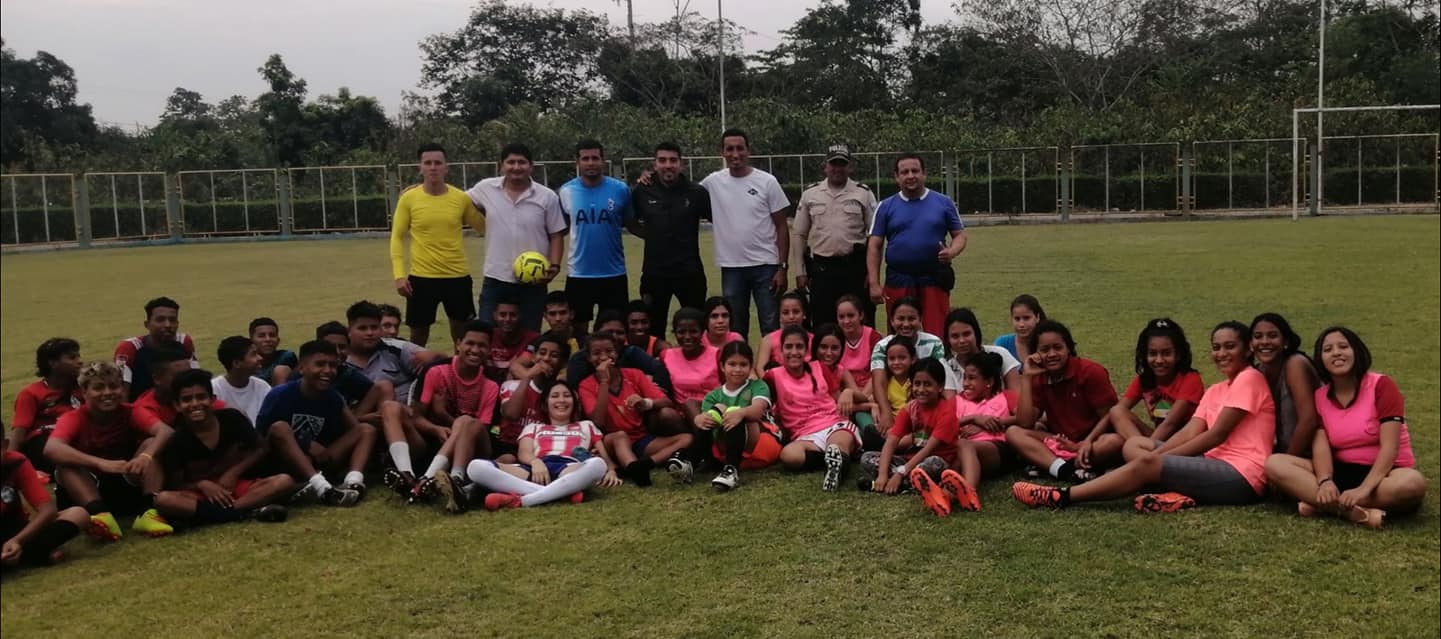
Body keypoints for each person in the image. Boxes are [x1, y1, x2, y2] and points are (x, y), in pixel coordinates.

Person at [1012, 321, 1278, 513]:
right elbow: (1190, 432)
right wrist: (1156, 455)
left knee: (1148, 461)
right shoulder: (1217, 389)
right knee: (1136, 446)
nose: (1221, 354)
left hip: (1243, 475)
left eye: (1230, 347)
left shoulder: (1249, 379)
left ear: (1247, 350)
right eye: (1216, 347)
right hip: (1211, 461)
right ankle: (1171, 493)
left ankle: (1062, 496)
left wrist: (1158, 459)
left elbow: (1215, 435)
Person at [1265, 327, 1426, 528]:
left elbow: (1390, 447)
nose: (1336, 353)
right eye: (1328, 349)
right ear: (1321, 359)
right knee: (1275, 463)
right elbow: (1321, 446)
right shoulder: (1320, 396)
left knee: (1412, 483)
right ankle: (1354, 513)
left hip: (1386, 473)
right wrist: (1325, 481)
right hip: (1341, 471)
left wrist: (1364, 489)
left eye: (1343, 346)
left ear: (1356, 351)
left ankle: (1322, 505)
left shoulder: (1381, 385)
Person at [45, 361, 175, 540]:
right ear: (84, 392)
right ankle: (100, 515)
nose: (107, 393)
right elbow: (51, 448)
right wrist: (101, 463)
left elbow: (166, 431)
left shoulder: (130, 411)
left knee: (151, 444)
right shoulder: (74, 417)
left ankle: (148, 511)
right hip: (86, 489)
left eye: (113, 386)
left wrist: (146, 456)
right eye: (99, 388)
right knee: (64, 464)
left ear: (121, 388)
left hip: (124, 480)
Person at [154, 370, 293, 527]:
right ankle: (245, 513)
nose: (195, 404)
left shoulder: (232, 419)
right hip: (202, 496)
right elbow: (177, 485)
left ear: (213, 399)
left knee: (284, 481)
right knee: (163, 500)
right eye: (187, 399)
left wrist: (234, 472)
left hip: (239, 488)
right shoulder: (176, 441)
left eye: (201, 397)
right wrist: (202, 485)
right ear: (177, 405)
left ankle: (219, 515)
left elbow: (261, 448)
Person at [468, 380, 622, 510]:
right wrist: (536, 462)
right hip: (535, 469)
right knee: (475, 467)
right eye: (554, 396)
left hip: (569, 467)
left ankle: (523, 500)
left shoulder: (586, 425)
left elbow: (603, 456)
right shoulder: (534, 427)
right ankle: (563, 493)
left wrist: (610, 471)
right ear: (545, 404)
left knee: (598, 464)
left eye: (567, 395)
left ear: (574, 402)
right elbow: (524, 452)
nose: (561, 400)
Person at [254, 340, 373, 506]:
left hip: (320, 459)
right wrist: (305, 444)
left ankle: (353, 482)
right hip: (282, 460)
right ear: (302, 368)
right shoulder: (280, 395)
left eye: (333, 365)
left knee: (366, 430)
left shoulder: (333, 398)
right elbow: (262, 436)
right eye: (320, 364)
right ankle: (322, 488)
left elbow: (353, 430)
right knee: (280, 427)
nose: (327, 370)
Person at [390, 143, 485, 347]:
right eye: (428, 163)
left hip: (457, 277)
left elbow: (483, 228)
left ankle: (459, 368)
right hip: (421, 279)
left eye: (438, 163)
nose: (433, 167)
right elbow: (397, 237)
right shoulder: (408, 199)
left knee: (462, 337)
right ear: (420, 167)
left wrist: (486, 205)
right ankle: (415, 368)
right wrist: (399, 276)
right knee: (417, 338)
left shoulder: (461, 198)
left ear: (446, 167)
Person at [1003, 320, 1119, 483]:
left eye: (1057, 348)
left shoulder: (1090, 371)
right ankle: (1066, 471)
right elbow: (1025, 422)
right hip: (1061, 441)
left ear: (1068, 348)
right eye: (1044, 350)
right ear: (1036, 354)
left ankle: (1052, 464)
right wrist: (1027, 378)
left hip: (1093, 440)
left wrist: (1086, 442)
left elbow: (1109, 416)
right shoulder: (1039, 377)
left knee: (1114, 442)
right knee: (1013, 432)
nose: (1052, 354)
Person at [702, 128, 790, 338]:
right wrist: (649, 176)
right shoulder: (713, 182)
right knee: (735, 329)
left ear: (748, 150)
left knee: (771, 327)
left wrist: (782, 267)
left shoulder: (767, 182)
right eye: (729, 149)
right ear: (722, 152)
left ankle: (770, 361)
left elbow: (781, 225)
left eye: (740, 148)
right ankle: (739, 360)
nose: (735, 154)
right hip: (732, 267)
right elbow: (685, 192)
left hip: (766, 266)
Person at [468, 142, 567, 332]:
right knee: (487, 333)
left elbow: (556, 234)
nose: (516, 167)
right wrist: (420, 188)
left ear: (531, 166)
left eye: (521, 162)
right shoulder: (485, 189)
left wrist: (554, 267)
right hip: (496, 278)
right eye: (511, 162)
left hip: (533, 281)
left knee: (530, 335)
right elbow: (457, 200)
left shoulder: (547, 197)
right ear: (501, 165)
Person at [866, 153, 966, 336]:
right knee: (900, 332)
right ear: (897, 177)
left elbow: (959, 235)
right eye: (905, 172)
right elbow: (874, 245)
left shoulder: (944, 203)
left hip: (934, 277)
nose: (910, 176)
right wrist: (874, 283)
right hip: (899, 278)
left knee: (937, 332)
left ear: (924, 174)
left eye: (915, 171)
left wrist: (952, 251)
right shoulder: (886, 206)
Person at [579, 331, 691, 487]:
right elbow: (598, 421)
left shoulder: (634, 375)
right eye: (597, 353)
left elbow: (666, 402)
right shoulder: (586, 385)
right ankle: (633, 467)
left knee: (687, 438)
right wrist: (604, 382)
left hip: (641, 440)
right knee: (620, 436)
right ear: (589, 358)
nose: (604, 357)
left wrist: (646, 403)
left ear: (617, 353)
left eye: (609, 351)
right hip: (610, 441)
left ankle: (646, 464)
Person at [412, 320, 502, 513]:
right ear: (458, 343)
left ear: (489, 350)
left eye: (482, 345)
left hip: (476, 449)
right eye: (470, 343)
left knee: (467, 422)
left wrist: (443, 415)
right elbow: (415, 417)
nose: (475, 350)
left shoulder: (492, 383)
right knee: (464, 422)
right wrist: (436, 428)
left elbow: (480, 429)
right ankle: (451, 482)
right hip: (438, 441)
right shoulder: (436, 370)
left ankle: (437, 479)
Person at [792, 144, 878, 328]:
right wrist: (800, 272)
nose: (837, 169)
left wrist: (873, 274)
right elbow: (799, 234)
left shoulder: (863, 193)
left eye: (842, 164)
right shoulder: (810, 194)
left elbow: (875, 236)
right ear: (825, 166)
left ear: (850, 167)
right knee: (823, 322)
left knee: (861, 321)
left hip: (855, 268)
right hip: (823, 270)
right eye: (833, 164)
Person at [629, 141, 711, 336]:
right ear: (655, 164)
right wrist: (653, 236)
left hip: (690, 272)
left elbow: (718, 220)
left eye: (673, 160)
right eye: (662, 160)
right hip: (654, 274)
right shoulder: (641, 191)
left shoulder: (697, 192)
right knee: (653, 329)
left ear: (681, 164)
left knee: (695, 328)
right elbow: (630, 222)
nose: (668, 165)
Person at [766, 326, 860, 491]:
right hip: (805, 435)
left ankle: (837, 470)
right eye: (788, 347)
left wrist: (849, 392)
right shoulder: (773, 376)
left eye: (799, 347)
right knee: (789, 456)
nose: (794, 352)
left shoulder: (819, 368)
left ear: (807, 350)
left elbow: (840, 399)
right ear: (781, 350)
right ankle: (831, 459)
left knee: (838, 444)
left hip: (833, 423)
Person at [1093, 319, 1203, 457]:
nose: (1159, 360)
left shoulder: (1190, 379)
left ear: (1178, 355)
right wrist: (1088, 440)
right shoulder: (1144, 380)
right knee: (1116, 412)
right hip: (1156, 441)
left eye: (1166, 353)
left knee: (1116, 442)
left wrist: (1144, 447)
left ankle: (1141, 458)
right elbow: (1114, 413)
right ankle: (1142, 457)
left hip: (1183, 444)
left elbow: (1171, 423)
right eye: (1152, 353)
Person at [862, 359, 963, 509]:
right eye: (917, 384)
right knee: (867, 458)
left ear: (940, 387)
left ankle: (902, 482)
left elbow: (928, 450)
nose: (921, 389)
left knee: (933, 463)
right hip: (911, 460)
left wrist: (900, 473)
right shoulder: (910, 408)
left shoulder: (946, 413)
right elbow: (891, 442)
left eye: (927, 384)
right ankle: (904, 483)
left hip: (936, 461)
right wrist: (883, 473)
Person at [559, 139, 633, 335]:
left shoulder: (620, 189)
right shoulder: (566, 191)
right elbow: (562, 227)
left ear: (603, 160)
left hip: (613, 273)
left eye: (595, 158)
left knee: (614, 330)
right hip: (579, 273)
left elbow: (630, 222)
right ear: (577, 162)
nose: (590, 163)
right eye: (585, 159)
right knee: (578, 330)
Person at [695, 341, 784, 491]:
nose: (737, 369)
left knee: (734, 413)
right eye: (732, 364)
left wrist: (740, 413)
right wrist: (699, 419)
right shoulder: (712, 396)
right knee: (716, 412)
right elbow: (710, 428)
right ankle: (690, 461)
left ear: (751, 367)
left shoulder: (758, 386)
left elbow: (757, 411)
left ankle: (731, 470)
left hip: (761, 445)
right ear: (722, 366)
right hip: (728, 448)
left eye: (743, 364)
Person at [869, 298, 952, 433]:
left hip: (926, 402)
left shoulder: (933, 343)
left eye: (912, 319)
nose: (906, 324)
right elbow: (879, 382)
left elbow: (943, 377)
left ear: (920, 319)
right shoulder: (882, 346)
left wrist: (950, 412)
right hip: (893, 403)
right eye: (900, 319)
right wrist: (886, 412)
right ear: (892, 320)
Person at [2, 440, 88, 568]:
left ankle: (17, 556)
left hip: (15, 532)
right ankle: (30, 557)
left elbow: (48, 510)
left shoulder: (16, 462)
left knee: (78, 514)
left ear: (4, 446)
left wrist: (17, 540)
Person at [953, 352, 1020, 511]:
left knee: (964, 445)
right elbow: (944, 427)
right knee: (957, 457)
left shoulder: (1006, 397)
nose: (966, 383)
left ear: (989, 382)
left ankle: (969, 491)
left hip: (997, 449)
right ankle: (946, 495)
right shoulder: (957, 400)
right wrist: (973, 418)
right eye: (965, 378)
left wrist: (992, 423)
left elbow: (1026, 418)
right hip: (966, 452)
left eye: (972, 378)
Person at [9, 338, 84, 473]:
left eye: (78, 356)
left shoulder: (85, 387)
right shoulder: (31, 394)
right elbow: (19, 435)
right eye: (72, 358)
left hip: (78, 437)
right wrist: (8, 466)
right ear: (53, 363)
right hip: (46, 442)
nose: (80, 361)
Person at [1250, 312, 1320, 455]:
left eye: (1272, 336)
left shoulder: (1295, 364)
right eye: (1258, 336)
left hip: (1315, 453)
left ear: (1285, 342)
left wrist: (1286, 461)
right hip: (1280, 454)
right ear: (1250, 344)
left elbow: (1309, 420)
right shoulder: (1258, 372)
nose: (1264, 341)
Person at [497, 334, 571, 463]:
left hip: (543, 450)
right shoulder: (511, 386)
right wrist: (527, 377)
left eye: (554, 355)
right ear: (533, 357)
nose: (546, 358)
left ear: (563, 363)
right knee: (509, 459)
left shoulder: (563, 396)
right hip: (509, 447)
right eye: (542, 353)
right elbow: (511, 414)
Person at [563, 310, 674, 396]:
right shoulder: (580, 359)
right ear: (596, 333)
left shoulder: (631, 352)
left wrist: (655, 389)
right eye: (609, 332)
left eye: (620, 333)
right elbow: (576, 392)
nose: (614, 337)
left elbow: (660, 369)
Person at [114, 296, 198, 401]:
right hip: (140, 406)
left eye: (172, 320)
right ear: (147, 324)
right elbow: (122, 395)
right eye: (160, 320)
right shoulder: (129, 348)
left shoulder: (184, 341)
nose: (168, 325)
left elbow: (197, 380)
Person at [133, 342, 228, 426]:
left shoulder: (196, 398)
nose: (186, 379)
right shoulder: (144, 410)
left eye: (188, 373)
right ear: (157, 379)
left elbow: (227, 412)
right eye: (178, 376)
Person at [659, 308, 719, 424]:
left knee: (690, 403)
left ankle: (703, 433)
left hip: (710, 411)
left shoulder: (716, 355)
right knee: (665, 414)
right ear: (675, 333)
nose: (687, 337)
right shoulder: (666, 356)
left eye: (693, 331)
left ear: (702, 332)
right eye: (681, 332)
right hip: (681, 416)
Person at [942, 307, 1021, 391]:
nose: (962, 341)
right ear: (948, 339)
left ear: (976, 333)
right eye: (955, 336)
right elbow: (951, 399)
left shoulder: (1000, 354)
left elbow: (1016, 394)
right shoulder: (947, 368)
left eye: (966, 334)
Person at [211, 336, 272, 425]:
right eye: (253, 354)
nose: (260, 358)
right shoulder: (214, 389)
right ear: (236, 363)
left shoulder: (262, 386)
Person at [834, 295, 882, 394]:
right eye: (841, 317)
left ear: (861, 315)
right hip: (845, 391)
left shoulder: (873, 337)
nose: (846, 321)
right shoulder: (834, 338)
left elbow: (878, 372)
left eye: (851, 316)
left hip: (870, 390)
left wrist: (863, 396)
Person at [755, 291, 811, 374]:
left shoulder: (813, 339)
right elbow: (760, 369)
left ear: (804, 314)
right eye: (785, 313)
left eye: (796, 312)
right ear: (780, 316)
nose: (791, 317)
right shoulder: (768, 340)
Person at [488, 298, 540, 383]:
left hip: (518, 385)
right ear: (495, 316)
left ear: (520, 316)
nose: (507, 319)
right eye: (502, 315)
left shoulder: (534, 338)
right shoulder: (487, 336)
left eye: (513, 315)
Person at [993, 294, 1045, 361]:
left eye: (1026, 318)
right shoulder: (1002, 344)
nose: (1021, 324)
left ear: (1037, 317)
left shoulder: (1047, 344)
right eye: (1017, 319)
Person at [249, 318, 297, 386]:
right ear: (251, 340)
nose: (268, 339)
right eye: (261, 336)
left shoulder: (286, 357)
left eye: (272, 335)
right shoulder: (245, 361)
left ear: (278, 340)